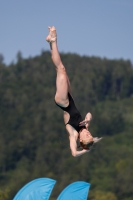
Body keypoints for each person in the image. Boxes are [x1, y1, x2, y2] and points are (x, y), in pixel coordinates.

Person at [46, 26, 102, 157]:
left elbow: (74, 153)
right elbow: (89, 114)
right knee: (59, 70)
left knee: (61, 69)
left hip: (63, 101)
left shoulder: (74, 134)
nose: (89, 133)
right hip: (69, 97)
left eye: (87, 136)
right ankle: (51, 42)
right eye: (90, 135)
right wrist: (88, 120)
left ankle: (53, 40)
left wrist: (84, 150)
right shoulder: (85, 128)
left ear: (81, 140)